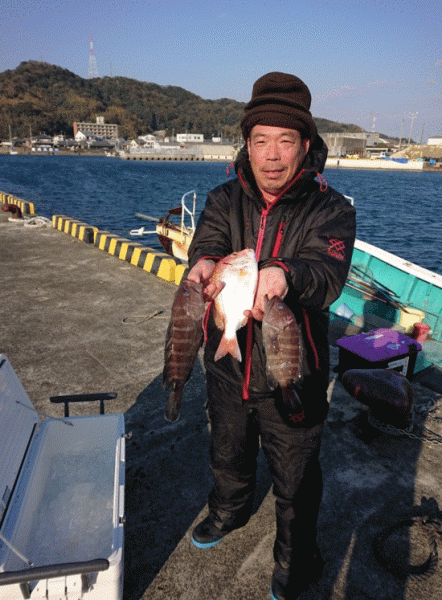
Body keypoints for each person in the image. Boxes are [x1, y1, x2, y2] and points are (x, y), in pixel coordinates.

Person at [187, 72, 356, 600]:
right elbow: (208, 243)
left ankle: (296, 554)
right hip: (228, 360)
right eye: (261, 140)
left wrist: (285, 274)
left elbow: (325, 276)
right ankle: (229, 511)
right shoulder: (220, 198)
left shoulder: (332, 209)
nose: (273, 155)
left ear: (306, 145)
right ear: (247, 143)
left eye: (286, 141)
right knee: (228, 448)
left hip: (292, 366)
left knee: (296, 472)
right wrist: (203, 266)